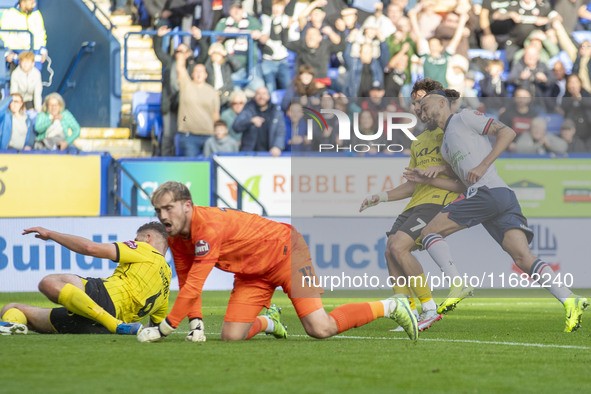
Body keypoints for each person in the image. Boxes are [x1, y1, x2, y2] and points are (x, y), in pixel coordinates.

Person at [125, 181, 418, 343]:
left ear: (187, 206)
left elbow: (195, 284)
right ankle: (270, 322)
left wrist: (164, 329)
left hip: (286, 253)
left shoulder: (207, 227)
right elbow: (188, 280)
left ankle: (392, 306)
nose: (163, 216)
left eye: (169, 208)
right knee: (231, 337)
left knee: (320, 329)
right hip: (252, 274)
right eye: (158, 210)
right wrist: (196, 323)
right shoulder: (176, 236)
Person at [415, 89, 588, 332]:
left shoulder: (464, 117)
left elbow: (508, 132)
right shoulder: (445, 146)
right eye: (420, 109)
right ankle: (570, 298)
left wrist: (483, 164)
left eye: (425, 105)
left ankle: (457, 284)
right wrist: (433, 176)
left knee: (429, 233)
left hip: (488, 191)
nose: (422, 111)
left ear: (443, 102)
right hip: (499, 196)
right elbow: (461, 183)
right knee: (522, 258)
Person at [360, 78, 466, 331]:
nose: (417, 107)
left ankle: (428, 309)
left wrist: (441, 169)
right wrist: (381, 197)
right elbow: (413, 184)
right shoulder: (418, 141)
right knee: (390, 250)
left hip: (438, 202)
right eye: (415, 102)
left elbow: (462, 171)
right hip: (416, 203)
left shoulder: (450, 130)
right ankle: (408, 309)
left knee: (399, 246)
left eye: (421, 101)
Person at [0, 222, 173, 336]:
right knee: (13, 309)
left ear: (147, 238)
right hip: (95, 326)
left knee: (49, 283)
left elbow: (90, 248)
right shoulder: (166, 285)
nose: (134, 242)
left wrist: (50, 234)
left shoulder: (145, 249)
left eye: (137, 239)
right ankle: (13, 327)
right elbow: (155, 329)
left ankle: (114, 324)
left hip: (104, 299)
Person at [152, 25, 204, 157]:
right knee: (168, 135)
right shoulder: (170, 63)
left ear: (188, 54)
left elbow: (204, 55)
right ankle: (165, 160)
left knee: (185, 135)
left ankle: (182, 160)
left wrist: (200, 39)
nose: (179, 54)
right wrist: (158, 37)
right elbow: (158, 52)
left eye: (182, 51)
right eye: (177, 51)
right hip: (170, 105)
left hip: (186, 107)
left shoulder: (192, 66)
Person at [176, 57, 220, 157]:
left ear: (206, 75)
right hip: (189, 135)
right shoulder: (186, 86)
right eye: (196, 71)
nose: (199, 74)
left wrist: (216, 132)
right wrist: (181, 54)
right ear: (192, 74)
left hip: (209, 135)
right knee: (191, 167)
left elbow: (215, 114)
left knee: (210, 167)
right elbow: (180, 67)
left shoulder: (212, 92)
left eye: (201, 71)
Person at [233, 86, 286, 156]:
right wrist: (250, 121)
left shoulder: (275, 111)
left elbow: (281, 131)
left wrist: (277, 146)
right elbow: (236, 126)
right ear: (254, 96)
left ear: (269, 96)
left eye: (264, 94)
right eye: (258, 94)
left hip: (270, 154)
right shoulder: (248, 109)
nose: (261, 97)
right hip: (250, 154)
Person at [0, 0, 48, 70]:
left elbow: (41, 34)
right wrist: (7, 53)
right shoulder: (10, 14)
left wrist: (43, 51)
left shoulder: (36, 14)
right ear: (23, 2)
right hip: (16, 57)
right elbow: (4, 36)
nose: (34, 5)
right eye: (31, 2)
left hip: (35, 56)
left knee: (34, 79)